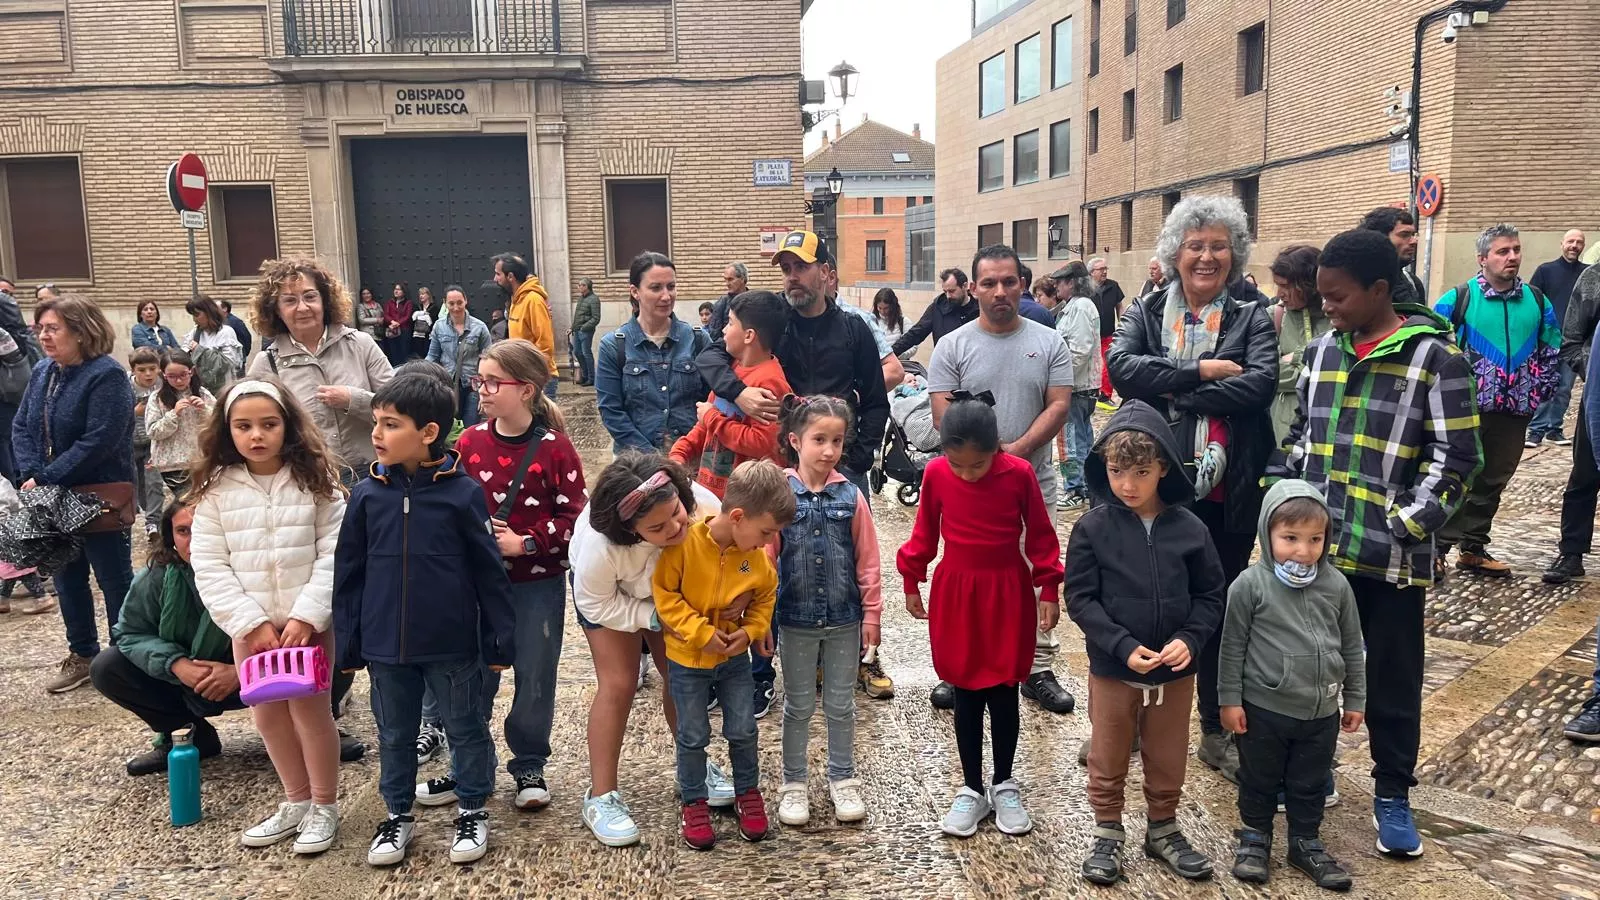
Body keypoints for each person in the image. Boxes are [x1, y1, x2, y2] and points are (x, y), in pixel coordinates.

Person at [1269, 228, 1479, 858]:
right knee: (1311, 668)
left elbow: (1457, 457)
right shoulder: (1322, 352)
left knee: (1391, 680)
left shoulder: (1437, 360)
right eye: (1321, 296)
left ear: (1379, 289)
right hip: (1318, 554)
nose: (1326, 307)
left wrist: (1406, 522)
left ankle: (1392, 792)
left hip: (1391, 559)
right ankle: (1314, 772)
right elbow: (1302, 434)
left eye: (1336, 296)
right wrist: (1289, 498)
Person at [1106, 195, 1278, 783]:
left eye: (1219, 246)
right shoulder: (1147, 308)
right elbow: (1122, 369)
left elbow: (1257, 386)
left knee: (1217, 605)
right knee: (1144, 596)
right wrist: (1201, 372)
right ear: (1175, 253)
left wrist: (1169, 389)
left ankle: (1213, 726)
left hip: (1225, 490)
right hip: (1150, 484)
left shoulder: (1252, 316)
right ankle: (1134, 720)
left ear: (1235, 254)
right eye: (1195, 245)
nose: (1207, 257)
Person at [335, 373, 516, 867]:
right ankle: (397, 814)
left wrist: (498, 639)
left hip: (451, 644)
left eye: (391, 424)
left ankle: (473, 807)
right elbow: (348, 574)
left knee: (465, 727)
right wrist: (348, 642)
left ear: (429, 432)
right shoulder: (366, 496)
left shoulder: (463, 494)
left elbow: (488, 571)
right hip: (385, 647)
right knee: (394, 734)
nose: (377, 434)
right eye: (376, 422)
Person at [1069, 401, 1224, 884]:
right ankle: (1107, 830)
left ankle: (1163, 827)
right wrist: (1119, 644)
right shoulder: (1092, 528)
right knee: (1108, 750)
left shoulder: (1191, 529)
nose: (1128, 485)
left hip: (1174, 673)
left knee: (1169, 752)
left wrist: (1190, 639)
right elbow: (1080, 598)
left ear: (1164, 468)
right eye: (1117, 472)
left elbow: (1211, 595)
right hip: (1114, 671)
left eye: (1141, 472)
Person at [189, 377, 345, 856]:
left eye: (268, 424)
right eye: (244, 426)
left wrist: (307, 616)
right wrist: (249, 623)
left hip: (307, 628)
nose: (256, 435)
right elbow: (209, 563)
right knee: (268, 717)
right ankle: (296, 800)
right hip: (251, 631)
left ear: (288, 425)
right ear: (227, 430)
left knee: (312, 715)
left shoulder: (317, 481)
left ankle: (324, 805)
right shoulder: (216, 491)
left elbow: (335, 552)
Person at [427, 340, 584, 814]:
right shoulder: (469, 443)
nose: (482, 389)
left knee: (535, 674)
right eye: (480, 379)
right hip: (476, 585)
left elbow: (577, 518)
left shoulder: (556, 449)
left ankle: (529, 763)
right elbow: (449, 505)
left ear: (527, 390)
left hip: (536, 584)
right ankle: (470, 765)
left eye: (494, 382)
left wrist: (526, 543)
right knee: (472, 677)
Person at [899, 395, 1062, 839]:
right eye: (958, 464)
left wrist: (1049, 587)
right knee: (966, 689)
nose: (968, 473)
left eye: (978, 464)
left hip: (1007, 591)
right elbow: (923, 534)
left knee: (1005, 688)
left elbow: (1042, 536)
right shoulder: (936, 474)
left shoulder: (1019, 474)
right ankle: (971, 787)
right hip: (957, 593)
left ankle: (1004, 782)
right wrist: (912, 580)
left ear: (996, 450)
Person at [926, 245, 1073, 716]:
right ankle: (962, 668)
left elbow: (1059, 404)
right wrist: (986, 459)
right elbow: (942, 413)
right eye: (988, 283)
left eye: (1009, 281)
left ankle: (1037, 667)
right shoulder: (952, 345)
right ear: (973, 289)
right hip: (969, 486)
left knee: (1034, 568)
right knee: (971, 578)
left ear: (1022, 284)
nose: (999, 291)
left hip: (1032, 480)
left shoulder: (1049, 342)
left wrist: (1017, 452)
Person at [570, 454, 735, 848]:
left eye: (677, 514)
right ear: (630, 530)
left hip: (673, 590)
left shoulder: (703, 505)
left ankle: (692, 767)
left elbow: (730, 554)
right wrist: (654, 617)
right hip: (613, 597)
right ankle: (601, 796)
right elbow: (595, 603)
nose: (676, 528)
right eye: (657, 528)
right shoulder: (600, 545)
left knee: (682, 676)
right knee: (619, 683)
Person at [1219, 480, 1366, 891]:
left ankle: (1305, 842)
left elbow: (1352, 645)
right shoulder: (1249, 585)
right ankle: (1255, 839)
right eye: (1290, 538)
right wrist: (1229, 700)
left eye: (1315, 539)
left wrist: (1355, 697)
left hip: (1320, 712)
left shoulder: (1336, 585)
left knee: (1310, 782)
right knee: (1259, 778)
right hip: (1264, 709)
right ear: (1267, 534)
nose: (1303, 550)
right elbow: (1231, 648)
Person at [653, 459, 791, 850]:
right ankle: (694, 801)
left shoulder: (756, 558)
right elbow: (666, 597)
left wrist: (749, 631)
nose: (768, 542)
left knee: (744, 730)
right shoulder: (684, 546)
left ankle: (748, 792)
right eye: (766, 532)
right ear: (738, 517)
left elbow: (765, 595)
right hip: (687, 661)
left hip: (733, 661)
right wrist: (700, 633)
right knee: (692, 734)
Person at [12, 295, 136, 693]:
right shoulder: (43, 371)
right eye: (40, 329)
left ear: (82, 332)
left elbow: (99, 440)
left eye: (53, 329)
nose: (44, 337)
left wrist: (48, 476)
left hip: (98, 495)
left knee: (114, 579)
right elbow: (21, 426)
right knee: (67, 580)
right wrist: (31, 474)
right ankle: (82, 654)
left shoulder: (107, 375)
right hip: (52, 498)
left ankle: (127, 657)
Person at [772, 396, 881, 828]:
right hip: (795, 619)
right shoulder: (781, 494)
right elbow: (766, 559)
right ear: (795, 441)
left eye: (837, 440)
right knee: (798, 705)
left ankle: (843, 777)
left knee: (841, 704)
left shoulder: (851, 496)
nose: (829, 450)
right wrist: (761, 619)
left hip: (843, 619)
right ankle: (793, 782)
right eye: (819, 440)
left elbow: (868, 560)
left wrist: (872, 614)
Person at [1433, 223, 1560, 577]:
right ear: (1482, 258)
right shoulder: (1458, 299)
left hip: (1515, 411)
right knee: (1456, 478)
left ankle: (1473, 547)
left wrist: (1539, 390)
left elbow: (1552, 346)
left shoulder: (1537, 300)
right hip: (1465, 411)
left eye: (1516, 249)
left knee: (1493, 481)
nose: (1512, 257)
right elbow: (1433, 348)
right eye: (1503, 251)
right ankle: (1437, 549)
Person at [89, 500, 242, 776]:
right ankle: (188, 734)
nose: (194, 540)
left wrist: (240, 672)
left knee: (316, 654)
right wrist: (177, 664)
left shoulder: (256, 570)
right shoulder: (156, 575)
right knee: (107, 666)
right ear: (171, 537)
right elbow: (129, 633)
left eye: (203, 528)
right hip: (187, 678)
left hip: (252, 677)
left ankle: (306, 732)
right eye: (183, 531)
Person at [247, 256, 395, 483]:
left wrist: (353, 400)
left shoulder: (361, 345)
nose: (302, 307)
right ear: (276, 310)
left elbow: (400, 408)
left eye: (310, 297)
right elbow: (251, 426)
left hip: (373, 474)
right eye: (290, 300)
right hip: (308, 480)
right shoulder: (266, 364)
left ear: (324, 300)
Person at [669, 290, 790, 497]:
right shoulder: (730, 370)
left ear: (749, 336)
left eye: (730, 323)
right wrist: (680, 453)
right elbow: (704, 426)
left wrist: (712, 417)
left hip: (746, 502)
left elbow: (764, 444)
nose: (724, 329)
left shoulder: (770, 382)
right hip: (711, 495)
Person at [596, 252, 710, 455]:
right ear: (635, 291)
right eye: (656, 288)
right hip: (636, 462)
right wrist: (651, 459)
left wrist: (684, 452)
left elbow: (713, 400)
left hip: (690, 458)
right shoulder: (613, 346)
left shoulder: (698, 340)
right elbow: (611, 412)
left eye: (671, 287)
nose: (666, 296)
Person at [1547, 264, 1600, 587]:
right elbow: (1571, 340)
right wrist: (1593, 372)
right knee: (1585, 475)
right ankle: (1571, 551)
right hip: (1598, 397)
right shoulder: (1594, 279)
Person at [1528, 229, 1590, 446]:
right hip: (1547, 340)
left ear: (1583, 246)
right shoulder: (1545, 271)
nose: (1574, 245)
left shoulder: (1588, 274)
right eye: (1571, 241)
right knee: (1544, 385)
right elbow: (1532, 302)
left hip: (1574, 343)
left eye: (1579, 242)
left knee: (1564, 388)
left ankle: (1554, 429)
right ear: (1561, 243)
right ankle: (1536, 431)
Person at [1267, 245, 1332, 443]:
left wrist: (1295, 357)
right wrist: (1314, 363)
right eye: (1277, 285)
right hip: (1282, 433)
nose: (1280, 293)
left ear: (1309, 284)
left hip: (1326, 431)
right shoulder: (1273, 317)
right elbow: (1268, 374)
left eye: (1286, 286)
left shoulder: (1337, 318)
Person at [1052, 262, 1101, 510]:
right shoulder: (1076, 306)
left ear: (1071, 283)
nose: (1056, 287)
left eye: (1059, 282)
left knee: (1070, 441)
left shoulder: (1080, 308)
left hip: (1076, 387)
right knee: (1081, 439)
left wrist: (1060, 381)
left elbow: (1080, 351)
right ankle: (1087, 487)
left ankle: (1075, 489)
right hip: (1081, 386)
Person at [145, 349, 215, 499]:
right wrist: (173, 414)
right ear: (164, 376)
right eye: (172, 376)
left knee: (204, 501)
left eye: (183, 375)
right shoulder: (157, 399)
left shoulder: (203, 394)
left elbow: (219, 423)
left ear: (191, 372)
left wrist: (205, 409)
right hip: (172, 464)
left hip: (200, 460)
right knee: (188, 502)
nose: (178, 381)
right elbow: (152, 431)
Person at [424, 286, 492, 427]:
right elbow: (432, 356)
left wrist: (486, 390)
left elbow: (489, 359)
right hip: (447, 385)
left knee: (469, 427)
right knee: (449, 427)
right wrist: (422, 378)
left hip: (473, 386)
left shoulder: (479, 327)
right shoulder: (439, 326)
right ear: (445, 303)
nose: (456, 308)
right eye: (451, 303)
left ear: (466, 301)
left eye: (459, 302)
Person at [492, 252, 556, 396]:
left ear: (510, 276)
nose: (495, 279)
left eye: (498, 274)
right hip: (524, 376)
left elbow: (545, 344)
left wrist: (537, 377)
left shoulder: (533, 300)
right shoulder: (515, 300)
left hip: (538, 378)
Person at [892, 268, 979, 357]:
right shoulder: (938, 307)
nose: (948, 296)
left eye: (952, 291)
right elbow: (916, 333)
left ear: (965, 286)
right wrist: (890, 354)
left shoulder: (980, 309)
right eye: (945, 292)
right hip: (946, 363)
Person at [128, 347, 166, 537]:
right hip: (130, 443)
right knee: (136, 483)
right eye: (142, 370)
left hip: (153, 443)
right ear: (134, 370)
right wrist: (133, 412)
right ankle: (141, 510)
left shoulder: (163, 385)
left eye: (152, 369)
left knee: (154, 482)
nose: (148, 374)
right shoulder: (125, 388)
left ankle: (153, 523)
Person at [1358, 206, 1426, 304]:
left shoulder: (1413, 282)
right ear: (1378, 238)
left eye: (1413, 235)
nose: (1414, 241)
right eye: (1404, 235)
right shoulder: (1357, 282)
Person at [184, 295, 244, 389]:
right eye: (193, 315)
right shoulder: (195, 333)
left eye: (197, 315)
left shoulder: (225, 332)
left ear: (209, 313)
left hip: (222, 387)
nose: (194, 319)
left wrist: (200, 351)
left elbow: (228, 363)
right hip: (201, 387)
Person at [1089, 257, 1126, 401]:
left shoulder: (1113, 286)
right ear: (1092, 272)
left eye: (1105, 269)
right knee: (1093, 365)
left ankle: (1105, 395)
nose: (1104, 272)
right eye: (1101, 269)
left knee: (1108, 364)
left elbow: (1119, 306)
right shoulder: (1085, 289)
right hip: (1091, 335)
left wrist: (1122, 325)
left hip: (1108, 333)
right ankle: (1093, 392)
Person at [571, 277, 601, 386]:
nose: (579, 287)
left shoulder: (594, 299)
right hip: (577, 330)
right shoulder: (581, 298)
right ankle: (585, 375)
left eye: (581, 285)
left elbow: (596, 318)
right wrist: (572, 328)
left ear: (586, 286)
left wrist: (584, 327)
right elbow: (578, 316)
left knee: (586, 353)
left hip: (586, 331)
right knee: (577, 352)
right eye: (579, 285)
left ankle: (591, 378)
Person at [220, 299, 253, 373]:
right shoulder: (219, 322)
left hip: (236, 359)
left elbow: (246, 337)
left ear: (225, 309)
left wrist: (244, 353)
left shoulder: (235, 322)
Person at [873, 288, 907, 354]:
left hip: (899, 359)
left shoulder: (903, 321)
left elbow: (913, 347)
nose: (882, 311)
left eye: (886, 308)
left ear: (893, 306)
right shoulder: (872, 321)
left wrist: (896, 355)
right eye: (880, 308)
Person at [409, 286, 436, 361]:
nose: (421, 296)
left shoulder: (434, 308)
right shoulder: (417, 307)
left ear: (428, 295)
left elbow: (434, 321)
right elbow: (412, 319)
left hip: (428, 336)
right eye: (420, 294)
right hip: (417, 336)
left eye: (423, 294)